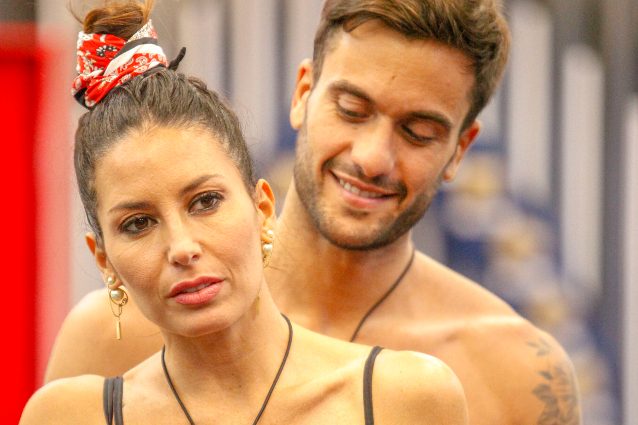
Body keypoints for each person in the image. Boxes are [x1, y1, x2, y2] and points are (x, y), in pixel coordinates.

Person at [45, 0, 583, 424]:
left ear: (460, 150)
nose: (372, 158)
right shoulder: (106, 338)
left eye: (418, 132)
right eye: (352, 110)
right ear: (303, 92)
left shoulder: (515, 372)